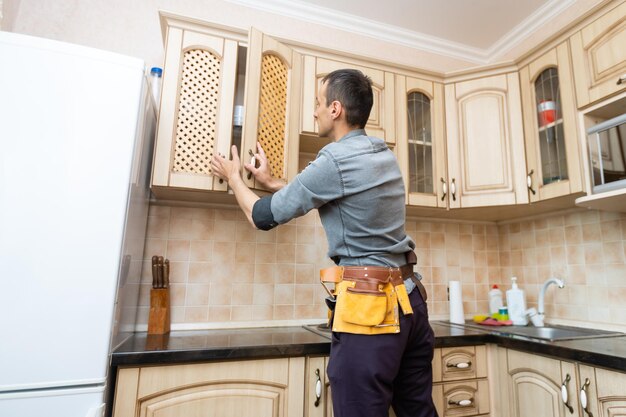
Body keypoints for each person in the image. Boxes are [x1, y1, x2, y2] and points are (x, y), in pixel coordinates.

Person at [211, 69, 437, 417]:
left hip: (371, 311)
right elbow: (329, 193)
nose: (314, 111)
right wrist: (273, 182)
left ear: (335, 109)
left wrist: (233, 177)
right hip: (411, 306)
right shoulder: (382, 154)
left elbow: (262, 216)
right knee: (418, 412)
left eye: (318, 103)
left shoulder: (333, 160)